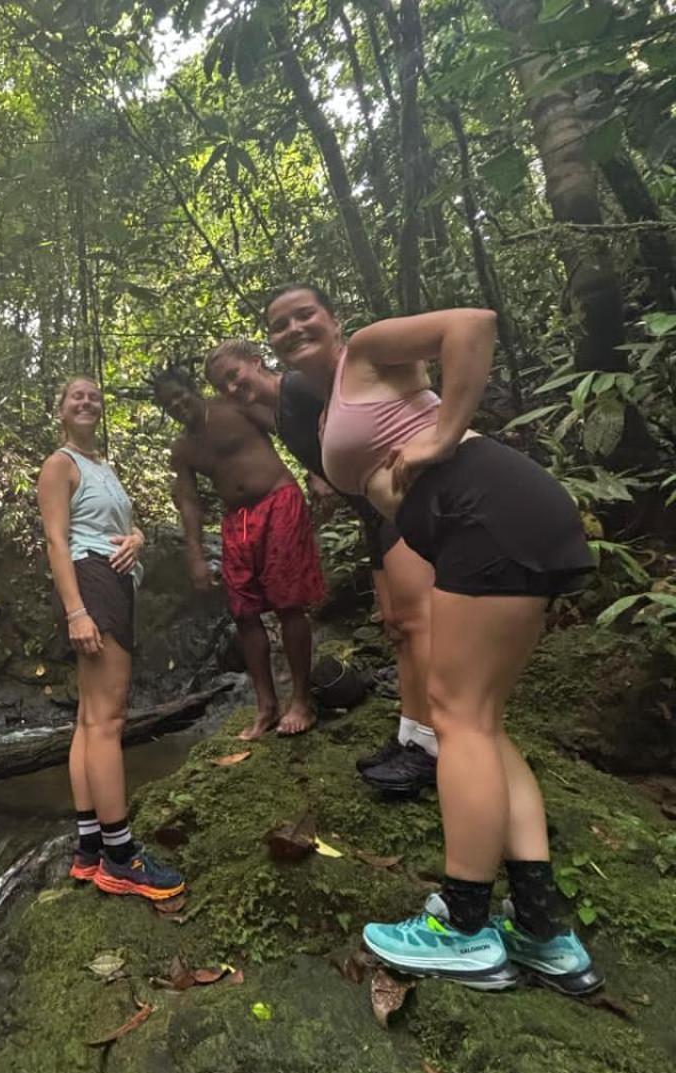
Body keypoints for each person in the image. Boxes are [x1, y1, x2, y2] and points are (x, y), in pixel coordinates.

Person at [263, 283, 601, 995]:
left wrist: (444, 432)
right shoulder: (327, 408)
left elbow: (473, 325)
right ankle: (544, 931)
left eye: (305, 315)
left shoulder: (369, 350)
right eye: (279, 326)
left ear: (335, 318)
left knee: (457, 719)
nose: (294, 329)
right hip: (481, 519)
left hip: (485, 503)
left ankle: (464, 925)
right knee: (480, 722)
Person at [206, 337, 437, 794]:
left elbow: (359, 407)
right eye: (223, 385)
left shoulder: (296, 388)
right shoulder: (270, 413)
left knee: (415, 623)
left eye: (236, 375)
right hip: (368, 508)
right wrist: (318, 470)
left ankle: (433, 747)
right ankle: (411, 736)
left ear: (257, 362)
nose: (232, 387)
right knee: (395, 625)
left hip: (394, 498)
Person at [37, 375, 185, 901]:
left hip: (113, 580)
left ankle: (89, 848)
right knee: (109, 720)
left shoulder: (102, 467)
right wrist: (77, 611)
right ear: (60, 410)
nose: (86, 401)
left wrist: (139, 539)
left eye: (94, 396)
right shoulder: (60, 465)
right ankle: (122, 858)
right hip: (91, 584)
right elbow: (57, 540)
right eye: (75, 395)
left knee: (88, 718)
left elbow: (120, 526)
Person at [152, 365, 324, 739]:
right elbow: (190, 502)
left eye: (181, 395)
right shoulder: (183, 448)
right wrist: (195, 555)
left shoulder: (234, 407)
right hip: (238, 520)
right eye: (169, 404)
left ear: (192, 389)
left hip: (279, 499)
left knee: (287, 603)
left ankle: (301, 700)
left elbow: (289, 429)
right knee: (243, 612)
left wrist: (317, 472)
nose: (178, 405)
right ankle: (266, 706)